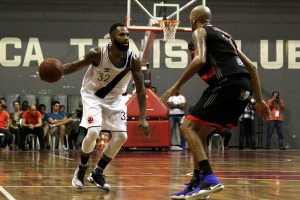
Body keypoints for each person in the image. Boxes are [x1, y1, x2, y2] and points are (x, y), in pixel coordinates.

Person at [160, 5, 270, 199]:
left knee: (187, 127)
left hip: (227, 83)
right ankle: (197, 181)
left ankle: (209, 177)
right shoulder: (226, 36)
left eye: (189, 18)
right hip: (244, 88)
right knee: (200, 133)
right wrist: (259, 100)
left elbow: (199, 60)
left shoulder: (200, 31)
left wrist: (174, 86)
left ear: (194, 19)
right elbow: (252, 67)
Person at [60, 23, 150, 191]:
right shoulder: (97, 53)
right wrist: (57, 72)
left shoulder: (133, 59)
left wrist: (143, 117)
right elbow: (74, 66)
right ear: (111, 37)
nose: (126, 37)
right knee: (93, 131)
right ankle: (81, 170)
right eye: (122, 35)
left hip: (115, 99)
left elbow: (140, 89)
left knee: (122, 137)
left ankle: (98, 172)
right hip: (92, 95)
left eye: (127, 35)